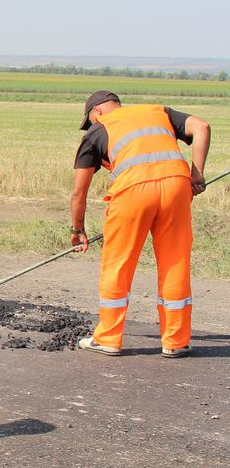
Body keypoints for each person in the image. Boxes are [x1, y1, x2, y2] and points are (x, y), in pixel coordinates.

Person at [70, 90, 211, 358]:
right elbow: (201, 127)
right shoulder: (158, 112)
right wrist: (197, 173)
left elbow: (79, 193)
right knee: (175, 261)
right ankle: (176, 341)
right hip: (177, 187)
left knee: (118, 263)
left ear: (97, 112)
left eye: (90, 120)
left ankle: (109, 338)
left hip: (132, 193)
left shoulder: (97, 131)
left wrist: (77, 230)